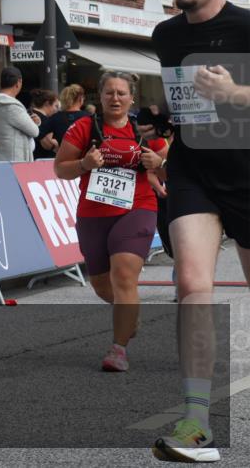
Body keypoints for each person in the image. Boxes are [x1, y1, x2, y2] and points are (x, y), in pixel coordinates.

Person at [145, 0, 250, 463]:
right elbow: (182, 103)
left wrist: (233, 95)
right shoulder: (165, 35)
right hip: (193, 172)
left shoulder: (247, 26)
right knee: (190, 282)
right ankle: (196, 422)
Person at [54, 71, 168, 372]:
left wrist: (159, 164)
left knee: (124, 276)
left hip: (137, 210)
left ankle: (118, 350)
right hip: (93, 214)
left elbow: (172, 171)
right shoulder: (83, 128)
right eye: (109, 93)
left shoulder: (145, 132)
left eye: (121, 93)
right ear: (100, 97)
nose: (115, 98)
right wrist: (83, 164)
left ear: (132, 98)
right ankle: (129, 314)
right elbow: (60, 169)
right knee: (104, 288)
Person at [0, 66, 39, 162]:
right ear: (18, 83)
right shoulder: (12, 107)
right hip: (17, 162)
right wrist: (35, 122)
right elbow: (34, 131)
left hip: (2, 159)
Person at [40, 83, 88, 149]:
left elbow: (40, 135)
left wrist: (53, 146)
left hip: (63, 156)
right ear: (80, 99)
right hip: (84, 156)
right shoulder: (88, 117)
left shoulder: (55, 117)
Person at [29, 88, 59, 159]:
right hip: (44, 160)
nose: (56, 110)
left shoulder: (28, 114)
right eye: (56, 106)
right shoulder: (48, 121)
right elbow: (48, 143)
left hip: (30, 158)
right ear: (47, 104)